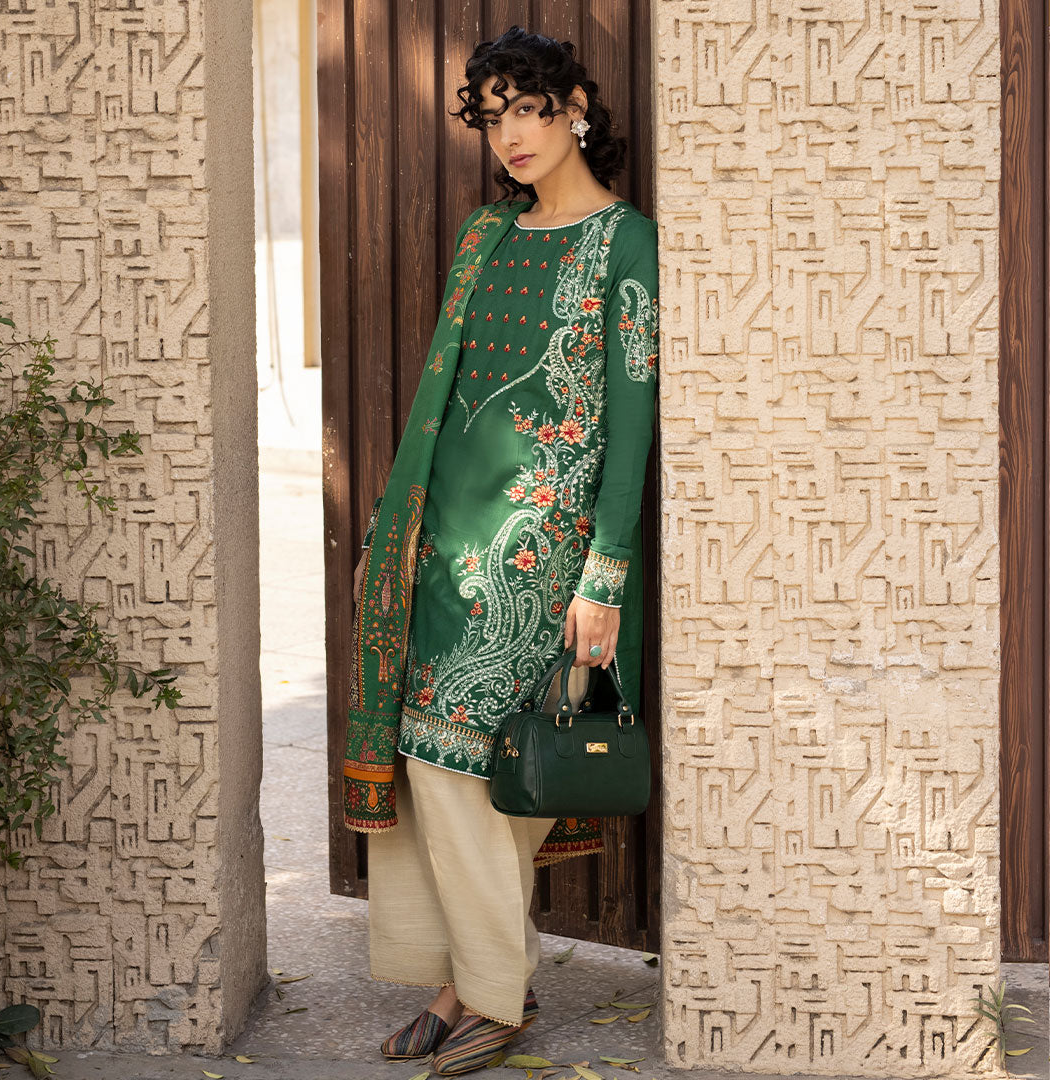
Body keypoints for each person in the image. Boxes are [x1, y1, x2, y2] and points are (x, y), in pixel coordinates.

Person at [343, 25, 659, 1077]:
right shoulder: (486, 235)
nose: (510, 135)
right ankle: (471, 981)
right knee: (432, 756)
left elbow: (631, 425)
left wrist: (605, 574)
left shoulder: (627, 245)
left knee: (485, 766)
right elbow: (448, 396)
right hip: (445, 541)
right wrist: (396, 532)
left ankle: (487, 990)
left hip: (541, 555)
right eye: (491, 118)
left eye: (528, 108)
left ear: (576, 108)